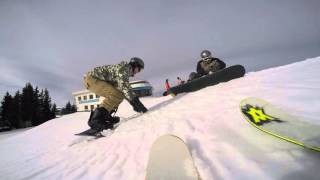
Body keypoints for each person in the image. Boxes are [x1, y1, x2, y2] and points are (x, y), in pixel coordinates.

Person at [83, 57, 148, 131]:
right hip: (92, 79)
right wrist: (136, 102)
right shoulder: (124, 69)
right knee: (114, 94)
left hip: (95, 80)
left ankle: (105, 116)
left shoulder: (125, 72)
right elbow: (125, 87)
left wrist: (133, 103)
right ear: (135, 65)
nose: (138, 72)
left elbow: (123, 90)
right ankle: (96, 120)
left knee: (120, 94)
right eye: (139, 69)